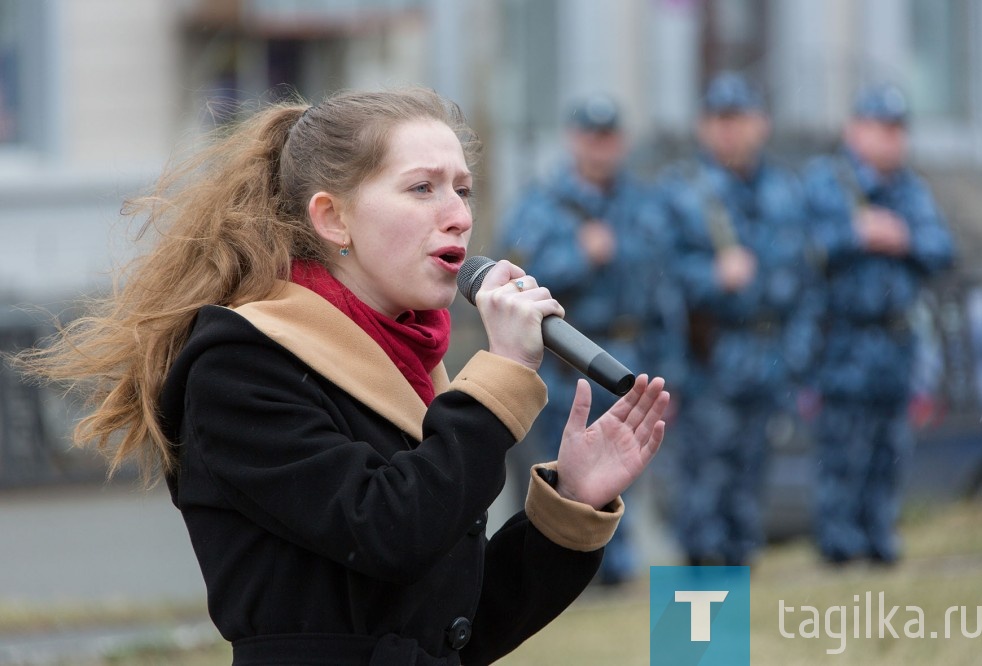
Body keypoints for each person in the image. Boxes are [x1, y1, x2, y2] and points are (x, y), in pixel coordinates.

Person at [12, 87, 670, 665]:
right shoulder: (242, 365)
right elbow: (391, 532)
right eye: (422, 187)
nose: (458, 214)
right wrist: (501, 377)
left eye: (462, 189)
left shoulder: (412, 364)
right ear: (332, 218)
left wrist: (573, 504)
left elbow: (449, 632)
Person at [495, 92, 681, 585]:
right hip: (569, 362)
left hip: (630, 353)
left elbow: (664, 289)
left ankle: (617, 571)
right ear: (573, 139)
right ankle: (568, 576)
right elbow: (512, 282)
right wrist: (578, 256)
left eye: (610, 136)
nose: (601, 147)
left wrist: (672, 369)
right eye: (591, 136)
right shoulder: (541, 204)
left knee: (626, 467)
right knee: (566, 472)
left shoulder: (643, 203)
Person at [657, 72, 819, 567]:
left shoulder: (787, 190)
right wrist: (711, 276)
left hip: (768, 358)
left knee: (751, 484)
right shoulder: (681, 192)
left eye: (740, 118)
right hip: (710, 360)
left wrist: (797, 354)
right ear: (703, 128)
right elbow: (658, 278)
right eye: (719, 120)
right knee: (704, 490)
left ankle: (740, 603)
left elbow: (808, 280)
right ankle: (694, 632)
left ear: (762, 124)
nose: (730, 131)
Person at [802, 82, 955, 566]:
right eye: (881, 128)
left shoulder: (910, 189)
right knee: (842, 448)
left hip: (895, 340)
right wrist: (855, 233)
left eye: (898, 130)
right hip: (843, 339)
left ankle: (880, 537)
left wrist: (903, 238)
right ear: (855, 130)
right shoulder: (824, 182)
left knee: (889, 448)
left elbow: (941, 249)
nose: (892, 140)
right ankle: (840, 544)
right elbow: (801, 249)